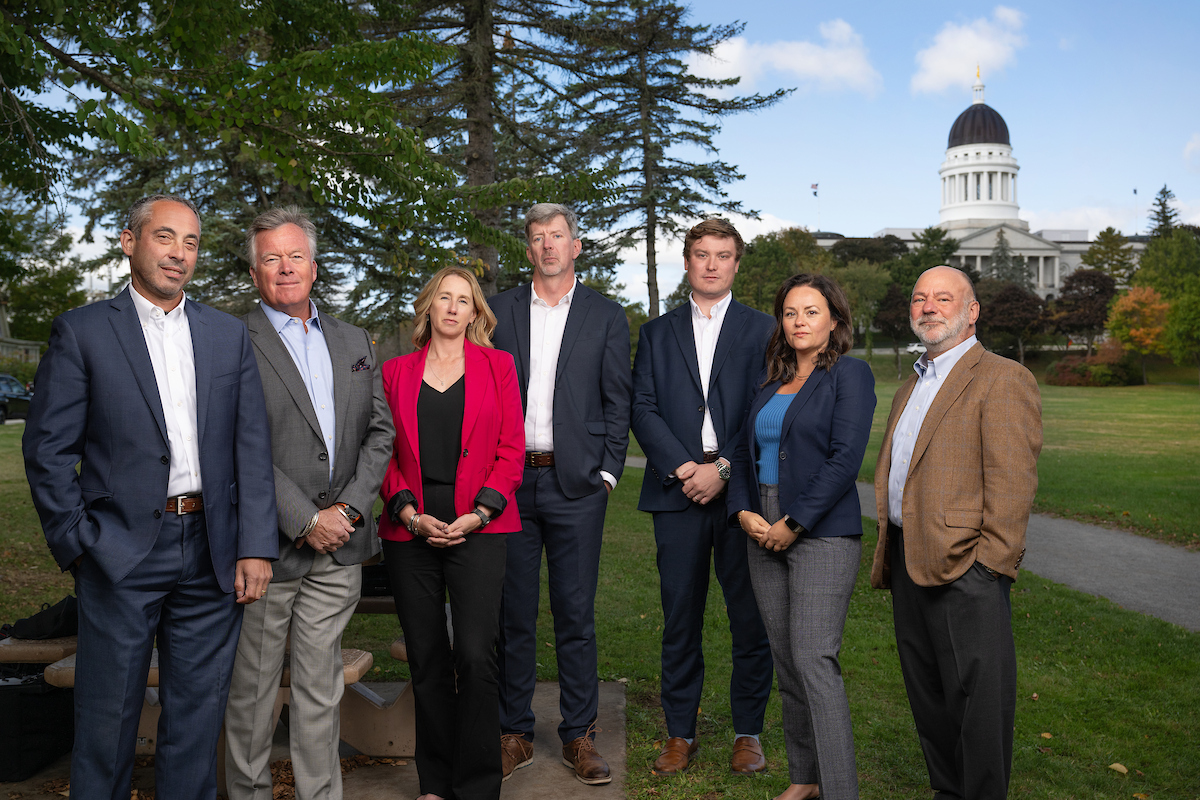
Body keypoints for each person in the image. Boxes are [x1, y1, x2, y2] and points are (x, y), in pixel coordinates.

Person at [21, 195, 278, 800]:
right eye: (166, 238)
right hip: (120, 552)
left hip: (212, 553)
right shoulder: (83, 331)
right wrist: (82, 545)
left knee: (196, 721)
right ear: (129, 242)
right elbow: (47, 452)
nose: (179, 254)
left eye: (190, 243)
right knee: (108, 722)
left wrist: (255, 545)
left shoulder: (226, 335)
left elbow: (251, 449)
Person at [223, 207, 394, 800]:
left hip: (340, 549)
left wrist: (346, 512)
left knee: (321, 690)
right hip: (267, 550)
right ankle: (246, 793)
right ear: (254, 273)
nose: (285, 267)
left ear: (315, 268)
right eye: (271, 258)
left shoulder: (354, 341)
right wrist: (302, 519)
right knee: (253, 691)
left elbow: (380, 433)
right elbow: (235, 443)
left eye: (295, 256)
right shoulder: (232, 340)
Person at [871, 265, 1041, 800]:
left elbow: (1013, 484)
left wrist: (988, 566)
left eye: (944, 298)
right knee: (930, 701)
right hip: (907, 561)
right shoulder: (910, 387)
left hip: (967, 570)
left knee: (978, 709)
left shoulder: (1002, 377)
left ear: (971, 312)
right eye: (920, 298)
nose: (928, 307)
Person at [488, 203, 632, 786]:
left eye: (558, 236)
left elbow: (618, 399)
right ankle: (515, 733)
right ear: (528, 250)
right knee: (513, 614)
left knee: (575, 613)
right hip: (510, 483)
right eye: (538, 237)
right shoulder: (497, 311)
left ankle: (579, 735)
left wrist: (607, 475)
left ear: (576, 246)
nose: (548, 245)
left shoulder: (605, 316)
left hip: (577, 486)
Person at [631, 219, 774, 776]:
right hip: (677, 492)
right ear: (686, 262)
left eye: (723, 255)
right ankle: (679, 734)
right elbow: (642, 407)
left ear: (737, 263)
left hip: (742, 494)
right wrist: (686, 466)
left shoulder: (765, 330)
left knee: (749, 619)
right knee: (680, 619)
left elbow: (765, 410)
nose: (711, 264)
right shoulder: (656, 333)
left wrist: (722, 467)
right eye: (700, 254)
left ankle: (748, 733)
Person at [726, 273, 876, 800]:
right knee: (786, 660)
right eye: (790, 312)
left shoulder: (850, 377)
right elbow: (743, 453)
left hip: (821, 532)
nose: (799, 322)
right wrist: (743, 510)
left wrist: (794, 523)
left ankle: (840, 790)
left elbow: (843, 462)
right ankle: (805, 778)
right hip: (760, 523)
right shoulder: (770, 380)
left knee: (815, 660)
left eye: (811, 312)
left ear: (834, 319)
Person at [378, 266, 525, 800]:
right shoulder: (394, 370)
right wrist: (410, 513)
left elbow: (512, 450)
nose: (453, 307)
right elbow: (383, 451)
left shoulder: (498, 366)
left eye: (464, 300)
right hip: (410, 526)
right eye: (444, 297)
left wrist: (481, 512)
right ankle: (435, 783)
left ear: (475, 313)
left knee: (475, 655)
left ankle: (480, 785)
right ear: (429, 306)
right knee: (427, 657)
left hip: (479, 525)